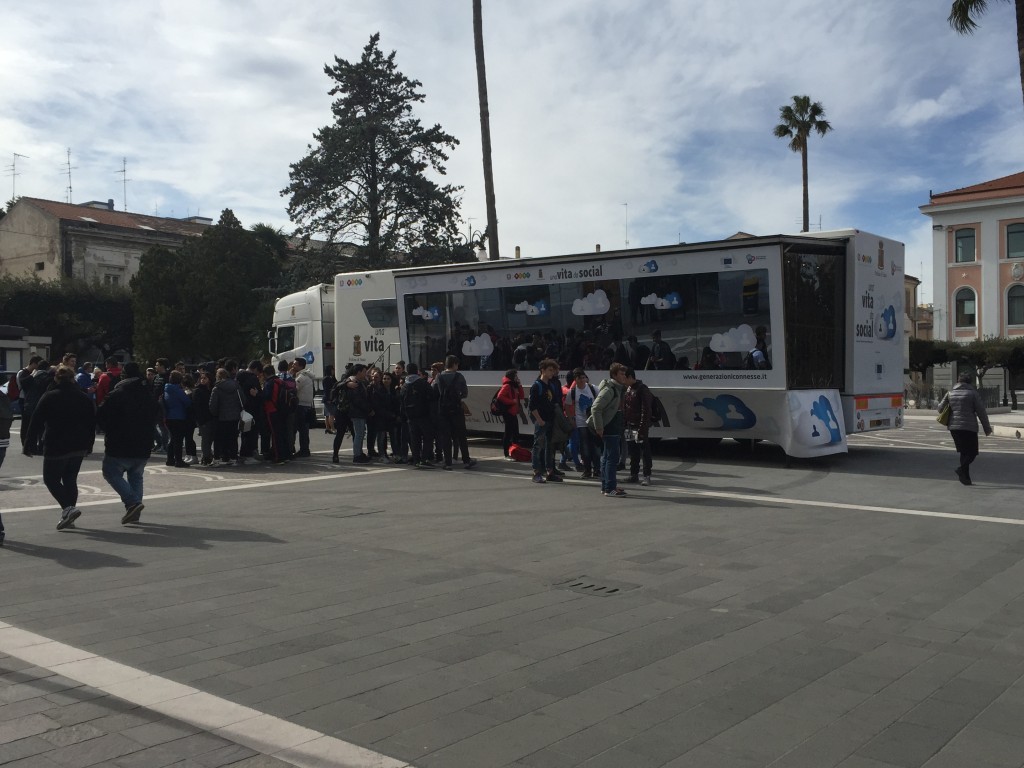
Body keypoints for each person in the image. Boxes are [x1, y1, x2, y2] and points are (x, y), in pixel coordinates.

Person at [22, 366, 97, 530]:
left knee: (51, 479)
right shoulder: (83, 397)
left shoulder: (50, 396)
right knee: (70, 479)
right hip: (79, 444)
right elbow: (92, 422)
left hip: (57, 443)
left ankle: (68, 509)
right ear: (73, 379)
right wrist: (89, 444)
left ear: (56, 379)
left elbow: (36, 420)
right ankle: (69, 514)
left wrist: (29, 444)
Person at [97, 361, 159, 524]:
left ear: (123, 376)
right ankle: (134, 511)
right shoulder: (147, 393)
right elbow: (157, 413)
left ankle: (132, 503)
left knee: (110, 472)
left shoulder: (117, 393)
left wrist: (108, 428)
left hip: (120, 441)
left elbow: (101, 414)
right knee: (136, 476)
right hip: (144, 442)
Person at [937, 373, 993, 485]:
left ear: (958, 381)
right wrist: (987, 428)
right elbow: (981, 412)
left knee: (963, 452)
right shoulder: (973, 394)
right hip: (969, 427)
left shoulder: (950, 393)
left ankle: (966, 478)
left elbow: (939, 409)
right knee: (972, 452)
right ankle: (961, 469)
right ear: (970, 382)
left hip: (954, 427)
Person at [432, 355, 477, 470]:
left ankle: (448, 463)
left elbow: (434, 392)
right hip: (456, 409)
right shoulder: (459, 376)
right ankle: (466, 460)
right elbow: (465, 393)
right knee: (461, 436)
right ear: (455, 364)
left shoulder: (439, 377)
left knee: (446, 437)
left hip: (443, 410)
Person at [591, 363, 628, 497]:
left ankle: (606, 486)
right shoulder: (610, 390)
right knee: (611, 459)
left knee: (607, 458)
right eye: (621, 374)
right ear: (614, 375)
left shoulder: (616, 388)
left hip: (612, 427)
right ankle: (610, 488)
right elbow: (596, 408)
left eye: (624, 374)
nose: (624, 376)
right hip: (610, 428)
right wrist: (599, 427)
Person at [528, 359, 562, 484]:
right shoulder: (537, 385)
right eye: (550, 370)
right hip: (542, 420)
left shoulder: (550, 385)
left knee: (549, 447)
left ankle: (550, 472)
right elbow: (532, 406)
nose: (552, 372)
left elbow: (554, 402)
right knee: (538, 446)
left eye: (553, 370)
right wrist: (539, 420)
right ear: (542, 370)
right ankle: (536, 472)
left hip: (550, 419)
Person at [399, 362, 434, 468]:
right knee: (428, 437)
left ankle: (416, 460)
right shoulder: (422, 383)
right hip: (423, 414)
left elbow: (401, 401)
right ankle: (425, 459)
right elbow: (432, 395)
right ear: (417, 371)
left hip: (410, 416)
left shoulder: (404, 386)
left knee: (414, 439)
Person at [567, 369, 600, 478]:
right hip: (581, 422)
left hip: (593, 422)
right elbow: (567, 405)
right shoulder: (572, 392)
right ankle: (587, 470)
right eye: (579, 378)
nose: (581, 380)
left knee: (595, 446)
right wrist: (571, 419)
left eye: (583, 378)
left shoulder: (593, 388)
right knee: (584, 447)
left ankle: (597, 469)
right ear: (575, 380)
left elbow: (601, 402)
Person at [623, 367, 653, 486]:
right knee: (633, 451)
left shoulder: (642, 389)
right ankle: (633, 474)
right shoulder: (628, 389)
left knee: (644, 451)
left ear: (630, 377)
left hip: (639, 425)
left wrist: (642, 427)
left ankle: (647, 475)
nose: (623, 381)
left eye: (625, 378)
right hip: (629, 425)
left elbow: (646, 410)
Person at [208, 368, 242, 466]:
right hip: (235, 416)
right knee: (233, 438)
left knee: (218, 439)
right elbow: (243, 400)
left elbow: (212, 405)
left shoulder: (217, 388)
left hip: (221, 417)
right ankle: (233, 458)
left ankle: (217, 459)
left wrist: (215, 414)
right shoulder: (236, 386)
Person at [162, 370, 192, 468]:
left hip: (169, 416)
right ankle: (178, 460)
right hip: (179, 416)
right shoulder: (178, 390)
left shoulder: (167, 389)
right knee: (178, 440)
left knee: (172, 439)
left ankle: (170, 459)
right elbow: (187, 402)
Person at [496, 368, 525, 460]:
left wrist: (519, 385)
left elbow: (522, 396)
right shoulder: (507, 386)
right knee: (508, 433)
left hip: (513, 412)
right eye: (516, 375)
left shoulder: (514, 385)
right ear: (512, 376)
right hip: (508, 412)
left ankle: (515, 452)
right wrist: (512, 401)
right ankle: (506, 454)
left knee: (515, 433)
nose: (517, 377)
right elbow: (500, 396)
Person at [192, 369, 215, 465]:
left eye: (205, 378)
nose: (202, 380)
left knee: (210, 438)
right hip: (203, 419)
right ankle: (206, 457)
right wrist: (200, 420)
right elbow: (196, 407)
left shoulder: (212, 389)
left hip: (212, 417)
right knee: (206, 439)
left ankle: (207, 455)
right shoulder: (198, 390)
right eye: (201, 378)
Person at [292, 357, 315, 457]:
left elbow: (294, 389)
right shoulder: (308, 375)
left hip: (300, 405)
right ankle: (305, 449)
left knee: (298, 429)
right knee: (304, 429)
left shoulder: (301, 377)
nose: (293, 366)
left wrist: (290, 376)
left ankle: (302, 450)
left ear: (300, 366)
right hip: (307, 405)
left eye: (295, 364)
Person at [322, 365, 338, 434]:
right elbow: (327, 390)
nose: (334, 371)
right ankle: (333, 428)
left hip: (326, 398)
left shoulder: (328, 378)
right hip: (329, 399)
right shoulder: (327, 379)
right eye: (333, 370)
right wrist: (329, 399)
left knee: (327, 414)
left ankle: (327, 428)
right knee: (331, 414)